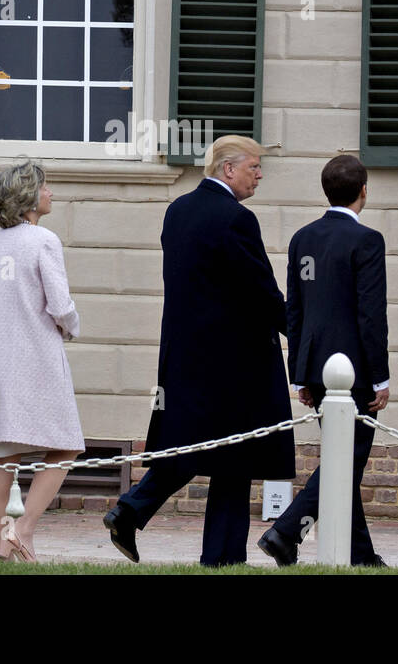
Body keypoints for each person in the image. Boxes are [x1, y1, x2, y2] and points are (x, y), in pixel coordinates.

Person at [104, 135, 294, 567]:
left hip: (185, 355)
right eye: (254, 167)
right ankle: (218, 554)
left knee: (196, 448)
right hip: (234, 362)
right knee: (234, 456)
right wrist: (300, 333)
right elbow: (260, 290)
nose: (260, 174)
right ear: (228, 169)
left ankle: (140, 514)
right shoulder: (236, 218)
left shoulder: (177, 211)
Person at [258, 154, 390, 567]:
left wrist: (298, 373)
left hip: (315, 366)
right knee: (343, 462)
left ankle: (362, 555)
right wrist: (380, 377)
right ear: (363, 191)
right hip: (353, 371)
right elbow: (371, 315)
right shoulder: (368, 240)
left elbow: (293, 312)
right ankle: (284, 532)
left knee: (342, 461)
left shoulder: (302, 238)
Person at [0, 160, 84, 562]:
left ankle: (6, 546)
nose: (50, 193)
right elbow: (59, 304)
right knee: (65, 446)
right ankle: (23, 529)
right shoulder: (43, 240)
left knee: (2, 460)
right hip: (34, 357)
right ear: (28, 198)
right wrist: (72, 325)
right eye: (45, 187)